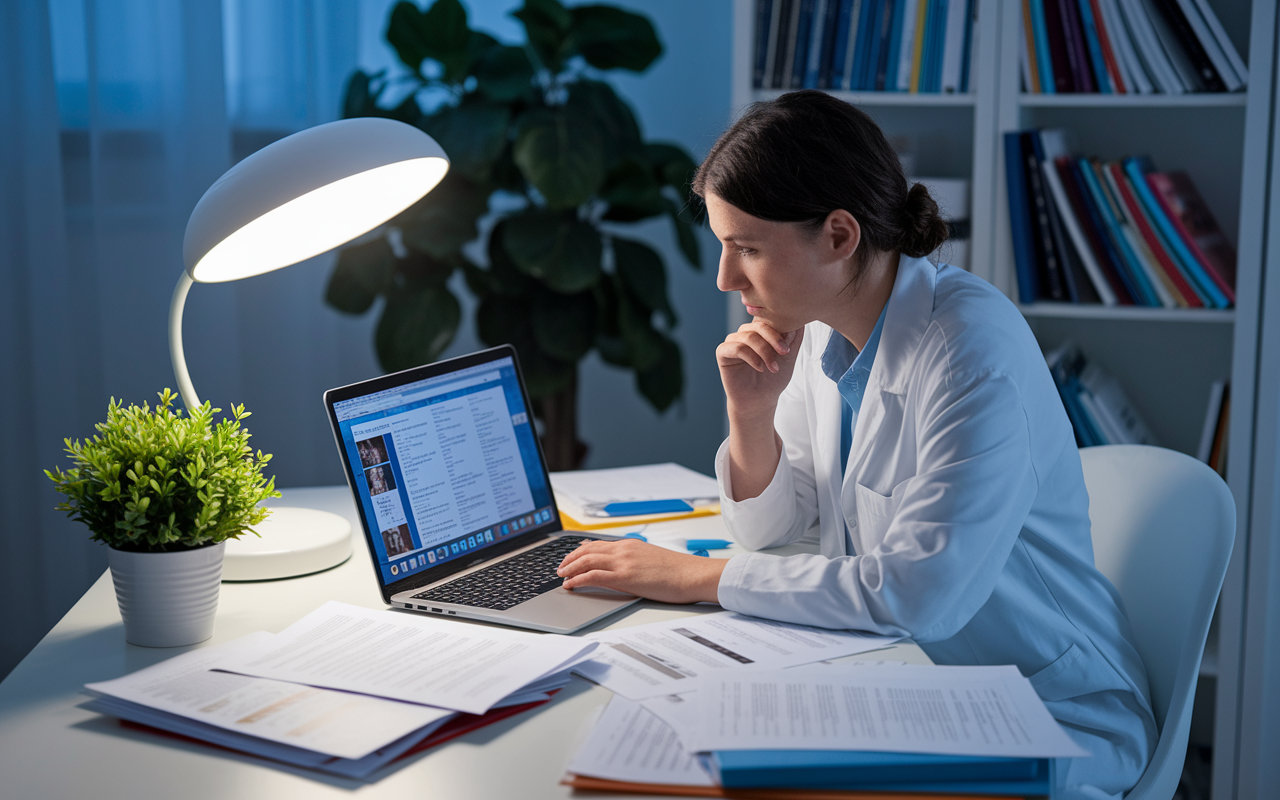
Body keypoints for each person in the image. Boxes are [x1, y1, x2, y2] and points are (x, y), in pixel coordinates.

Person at [556, 90, 1156, 798]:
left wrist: (692, 577)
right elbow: (776, 535)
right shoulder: (820, 331)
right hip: (903, 680)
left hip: (1043, 709)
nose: (725, 278)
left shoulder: (971, 352)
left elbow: (919, 594)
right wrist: (751, 414)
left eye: (746, 247)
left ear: (839, 236)